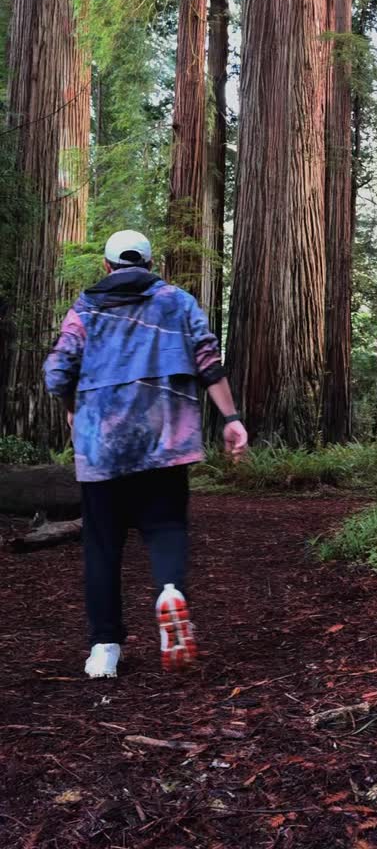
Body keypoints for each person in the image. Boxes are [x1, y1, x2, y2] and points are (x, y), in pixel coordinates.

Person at [44, 230, 248, 679]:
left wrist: (74, 409)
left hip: (103, 449)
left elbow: (58, 372)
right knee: (166, 529)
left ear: (106, 266)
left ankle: (104, 648)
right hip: (165, 443)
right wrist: (232, 419)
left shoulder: (86, 308)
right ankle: (171, 593)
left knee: (102, 546)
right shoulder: (177, 302)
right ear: (152, 264)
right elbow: (208, 361)